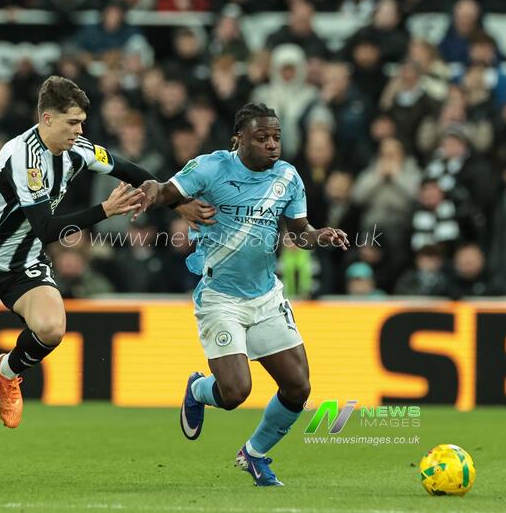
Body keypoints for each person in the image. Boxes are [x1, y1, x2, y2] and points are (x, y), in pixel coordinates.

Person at [0, 76, 214, 484]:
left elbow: (129, 168)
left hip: (22, 262)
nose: (80, 131)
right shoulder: (23, 157)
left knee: (52, 326)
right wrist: (103, 210)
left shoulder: (77, 148)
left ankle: (8, 370)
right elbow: (46, 227)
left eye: (82, 122)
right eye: (72, 123)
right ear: (47, 119)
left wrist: (179, 203)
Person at [136, 103, 349, 486]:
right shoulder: (211, 167)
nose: (272, 145)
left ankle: (254, 453)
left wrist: (320, 236)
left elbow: (299, 231)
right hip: (221, 297)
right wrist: (181, 205)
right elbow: (162, 193)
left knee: (299, 387)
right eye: (262, 137)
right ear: (239, 139)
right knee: (235, 393)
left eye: (276, 138)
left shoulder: (288, 176)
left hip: (266, 297)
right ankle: (198, 389)